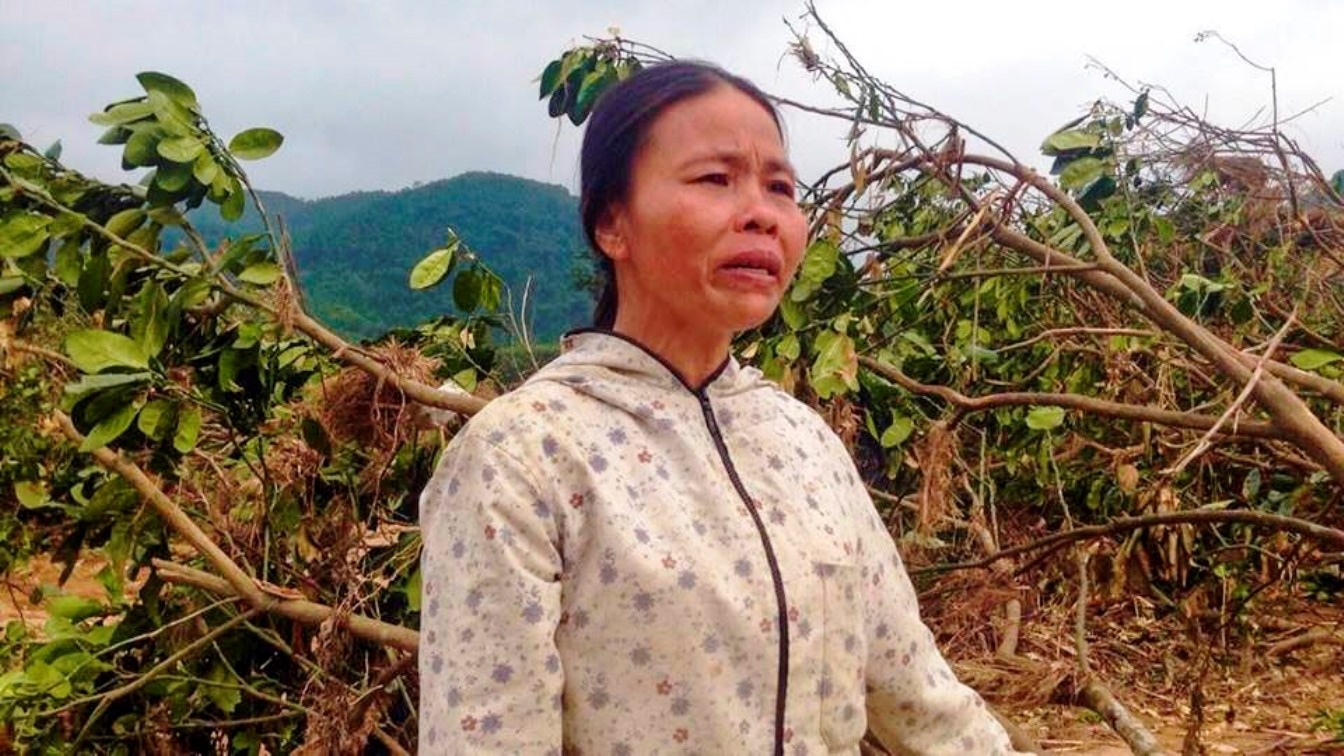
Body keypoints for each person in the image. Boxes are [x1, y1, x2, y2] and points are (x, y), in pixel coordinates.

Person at [418, 60, 1025, 755]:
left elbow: (916, 692)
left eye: (781, 187)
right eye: (715, 179)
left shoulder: (804, 442)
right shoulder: (523, 456)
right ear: (612, 224)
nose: (762, 213)